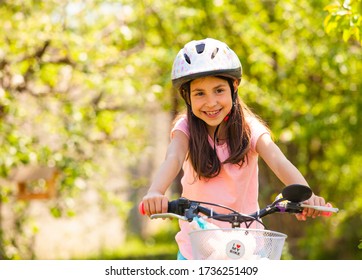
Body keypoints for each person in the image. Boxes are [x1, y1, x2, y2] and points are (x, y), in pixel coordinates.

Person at [141, 38, 328, 260]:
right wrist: (156, 192)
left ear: (234, 87)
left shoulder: (248, 128)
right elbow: (173, 158)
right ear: (187, 96)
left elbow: (278, 160)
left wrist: (306, 194)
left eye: (219, 90)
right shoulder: (186, 128)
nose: (211, 103)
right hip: (197, 248)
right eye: (199, 93)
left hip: (249, 244)